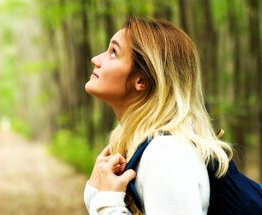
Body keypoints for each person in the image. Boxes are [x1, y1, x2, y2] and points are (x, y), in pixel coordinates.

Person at [83, 17, 233, 215]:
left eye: (113, 52)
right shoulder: (143, 146)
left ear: (141, 80)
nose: (96, 59)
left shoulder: (167, 155)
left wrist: (107, 202)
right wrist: (95, 192)